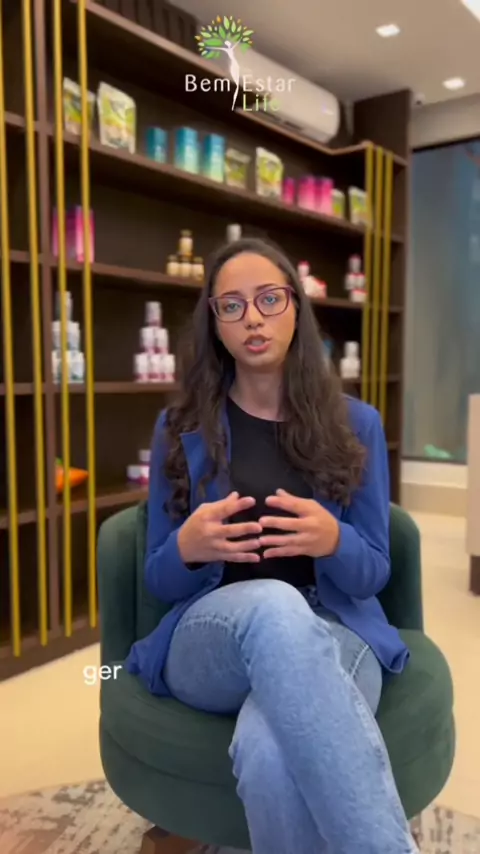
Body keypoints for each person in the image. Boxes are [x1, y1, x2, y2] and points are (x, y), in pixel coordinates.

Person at [125, 237, 418, 854]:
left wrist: (335, 540)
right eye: (231, 306)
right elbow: (157, 579)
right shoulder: (179, 428)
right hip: (211, 637)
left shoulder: (356, 424)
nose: (252, 318)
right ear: (215, 323)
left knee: (267, 750)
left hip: (334, 630)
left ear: (295, 308)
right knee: (274, 605)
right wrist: (187, 546)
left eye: (268, 299)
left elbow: (371, 574)